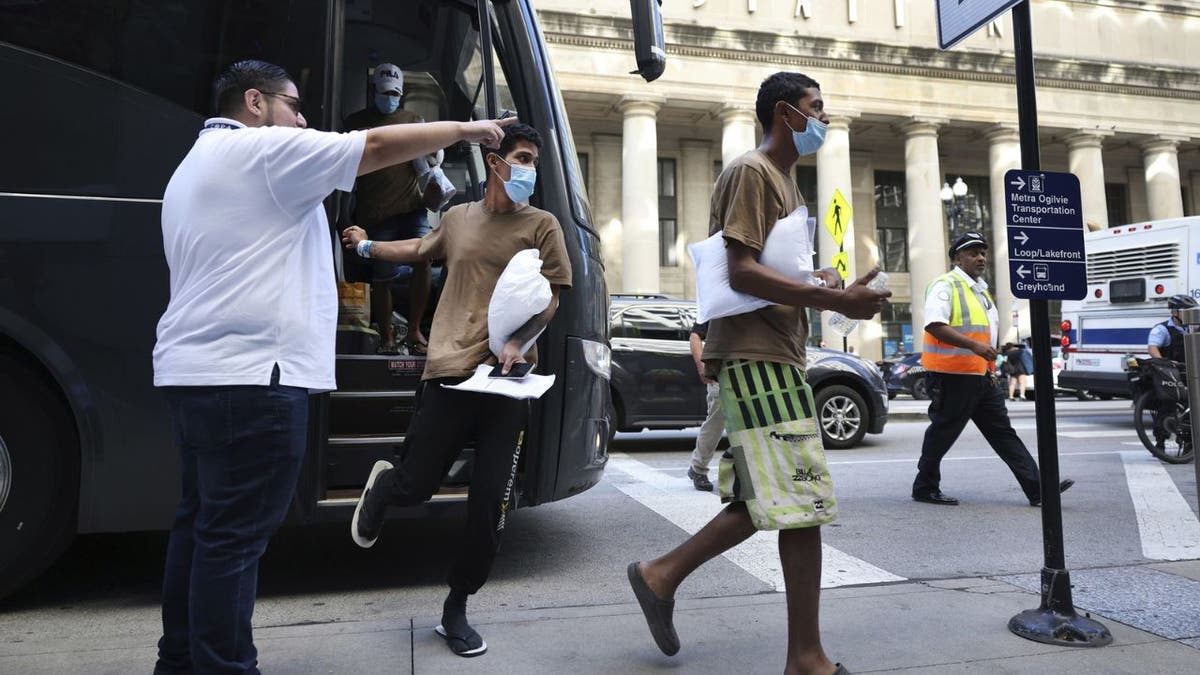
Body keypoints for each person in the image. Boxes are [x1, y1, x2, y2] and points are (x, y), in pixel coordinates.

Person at [150, 59, 511, 675]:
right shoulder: (259, 153)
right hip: (254, 380)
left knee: (201, 527)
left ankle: (179, 660)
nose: (303, 120)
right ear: (256, 103)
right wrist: (463, 130)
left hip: (200, 377)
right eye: (295, 106)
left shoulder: (195, 165)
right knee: (232, 541)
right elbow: (369, 145)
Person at [627, 72, 889, 675]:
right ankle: (807, 658)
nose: (823, 119)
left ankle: (659, 575)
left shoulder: (787, 185)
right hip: (756, 358)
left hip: (776, 352)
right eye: (815, 108)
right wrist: (834, 303)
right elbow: (740, 270)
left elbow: (774, 273)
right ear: (784, 114)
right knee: (801, 502)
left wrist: (820, 283)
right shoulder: (752, 171)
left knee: (762, 499)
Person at [344, 122, 571, 658]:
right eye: (521, 157)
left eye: (534, 160)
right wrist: (369, 244)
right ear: (495, 163)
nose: (528, 170)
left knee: (491, 503)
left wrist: (519, 341)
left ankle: (457, 608)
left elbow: (551, 301)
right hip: (449, 370)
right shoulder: (459, 218)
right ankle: (386, 487)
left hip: (509, 383)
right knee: (417, 486)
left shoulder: (543, 226)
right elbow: (421, 249)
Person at [910, 232, 1074, 507]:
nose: (981, 258)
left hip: (981, 376)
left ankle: (1038, 489)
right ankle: (924, 487)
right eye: (973, 252)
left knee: (1003, 433)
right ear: (957, 258)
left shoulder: (980, 291)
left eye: (983, 252)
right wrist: (975, 347)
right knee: (942, 433)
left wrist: (990, 358)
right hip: (952, 376)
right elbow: (935, 325)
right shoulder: (944, 285)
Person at [343, 63, 439, 354]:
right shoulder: (355, 122)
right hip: (375, 211)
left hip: (412, 208)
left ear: (402, 93)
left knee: (424, 259)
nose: (390, 98)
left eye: (395, 93)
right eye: (385, 93)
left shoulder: (414, 120)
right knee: (382, 275)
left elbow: (431, 157)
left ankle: (413, 332)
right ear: (374, 91)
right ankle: (386, 337)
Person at [687, 321, 722, 491]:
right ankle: (698, 468)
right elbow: (695, 336)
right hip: (720, 373)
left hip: (748, 370)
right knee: (715, 423)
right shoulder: (716, 302)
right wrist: (702, 368)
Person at [1147, 294, 1197, 361]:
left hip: (1191, 368)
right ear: (1174, 312)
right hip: (1173, 370)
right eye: (1185, 311)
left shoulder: (1192, 327)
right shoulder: (1161, 329)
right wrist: (1165, 364)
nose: (1189, 314)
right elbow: (1152, 349)